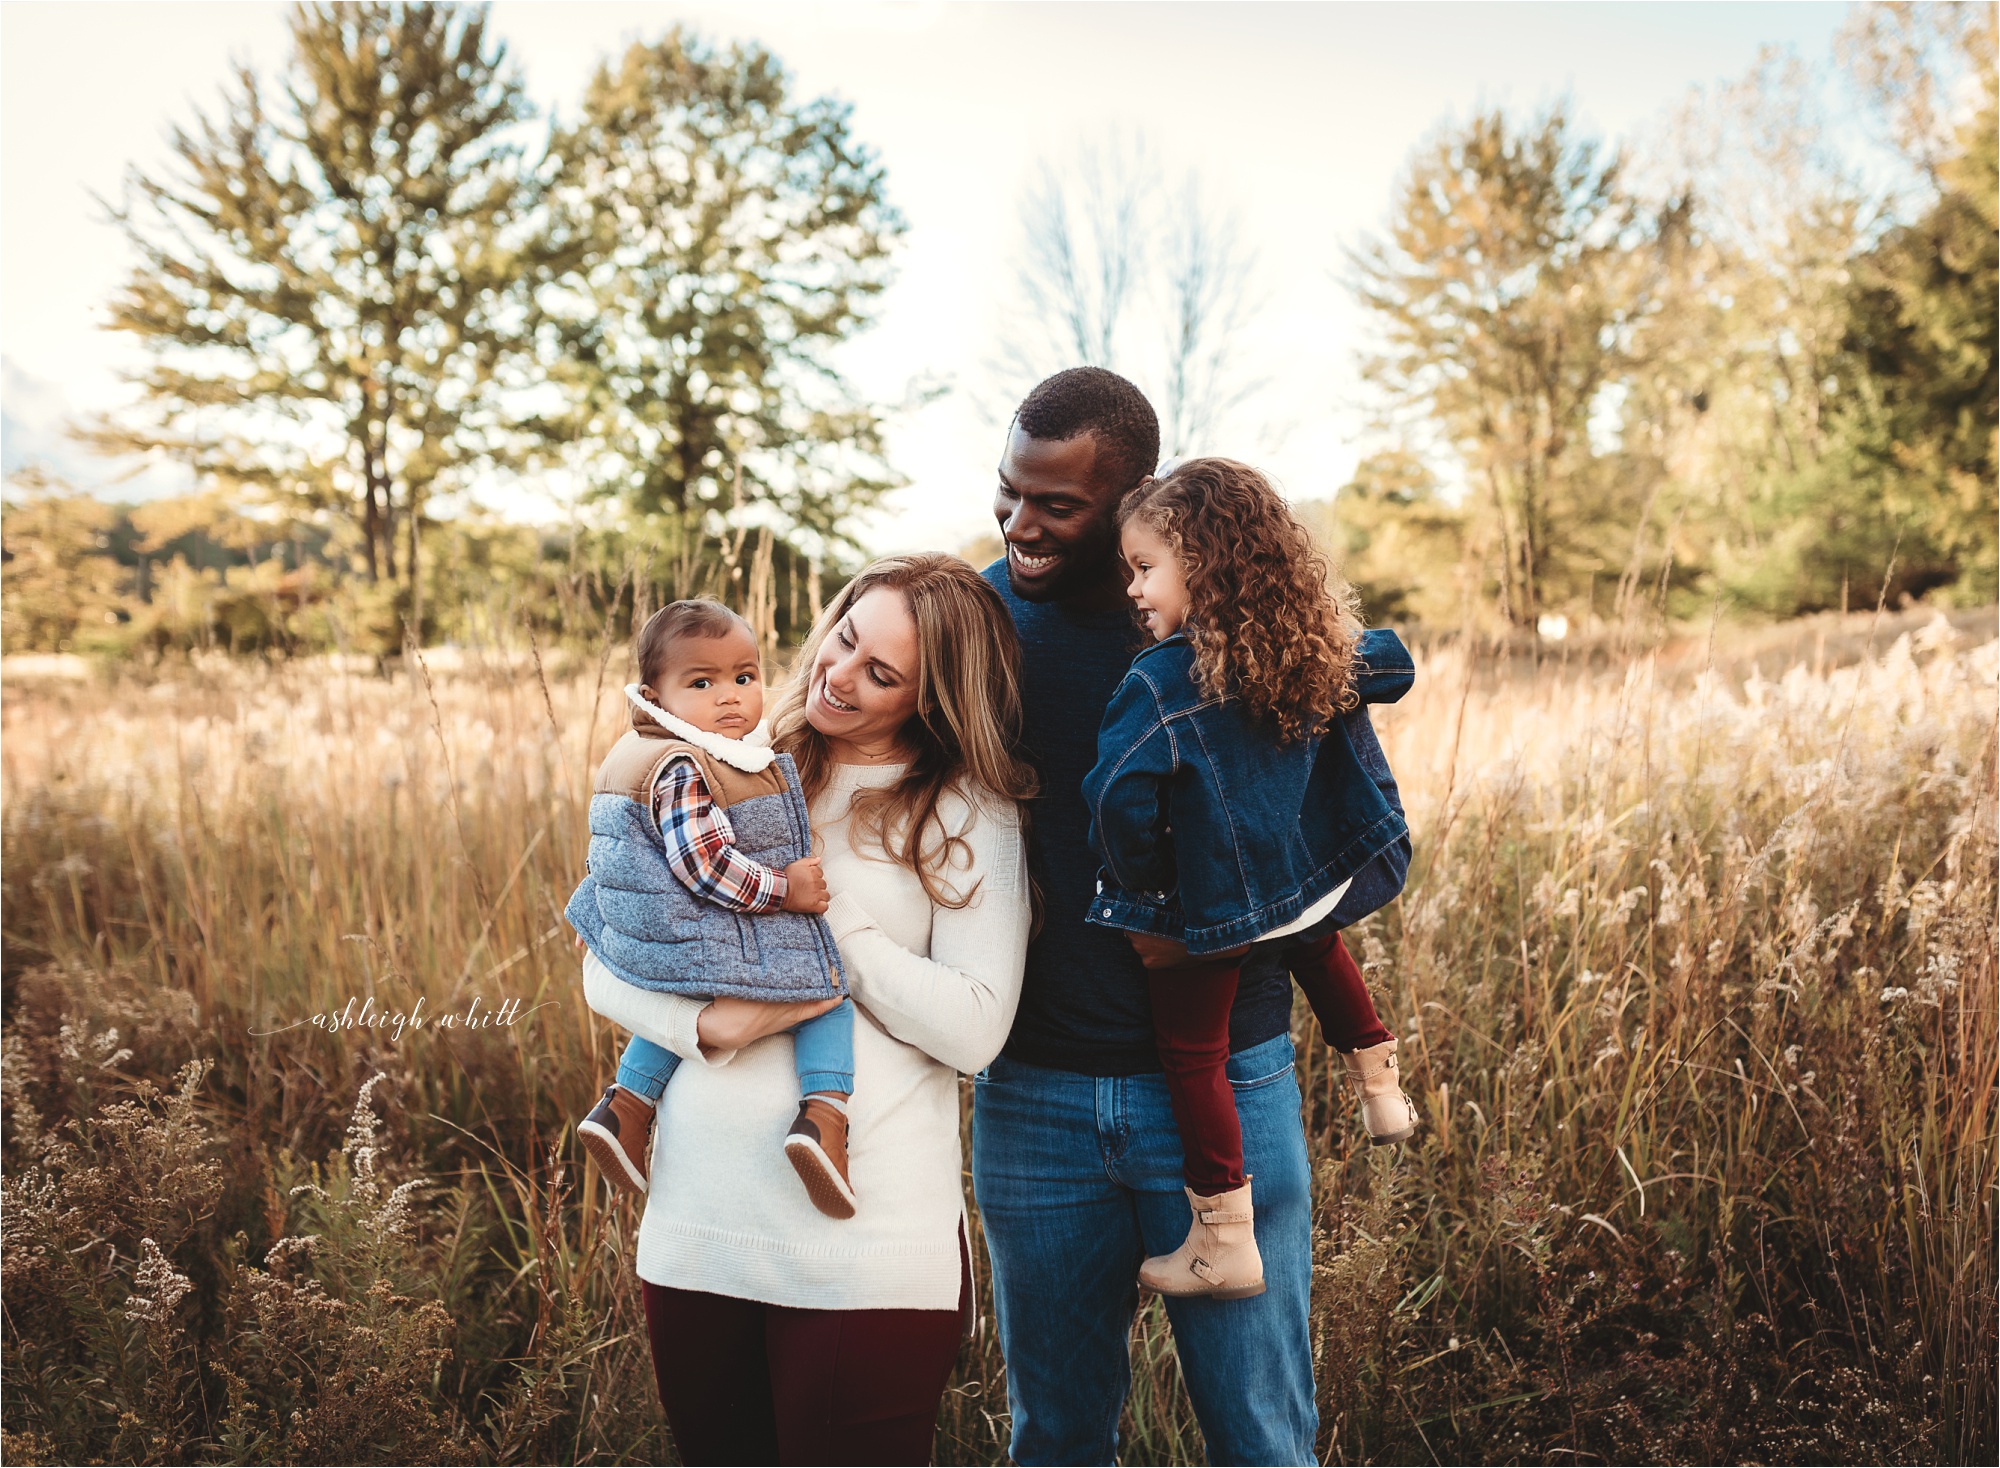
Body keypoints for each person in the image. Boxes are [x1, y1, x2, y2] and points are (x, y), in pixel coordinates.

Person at [973, 367, 1407, 1465]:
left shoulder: (1234, 629)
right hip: (1034, 1092)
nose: (1020, 524)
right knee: (1056, 1433)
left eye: (1055, 505)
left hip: (1226, 1074)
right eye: (1007, 492)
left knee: (1260, 1433)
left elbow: (1325, 830)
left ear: (1132, 496)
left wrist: (1226, 930)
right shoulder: (973, 625)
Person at [580, 555, 1035, 1466]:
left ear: (933, 699)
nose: (838, 673)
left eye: (882, 674)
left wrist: (826, 919)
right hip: (700, 1224)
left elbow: (978, 1026)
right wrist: (702, 1027)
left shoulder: (966, 809)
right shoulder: (720, 765)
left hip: (864, 1250)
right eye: (845, 637)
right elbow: (605, 953)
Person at [1082, 457, 1419, 1301]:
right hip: (1304, 886)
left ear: (1203, 564)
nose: (1132, 590)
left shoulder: (1160, 682)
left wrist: (1152, 896)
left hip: (1224, 905)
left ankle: (1223, 1242)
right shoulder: (1308, 651)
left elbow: (1115, 797)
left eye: (1145, 568)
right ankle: (1382, 1087)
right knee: (1317, 943)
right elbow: (1396, 665)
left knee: (1193, 1054)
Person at [568, 598, 861, 1218]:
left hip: (658, 935)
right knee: (825, 989)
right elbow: (706, 867)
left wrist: (594, 916)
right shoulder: (684, 765)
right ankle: (824, 1119)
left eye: (744, 677)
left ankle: (625, 1108)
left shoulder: (637, 753)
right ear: (656, 694)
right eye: (702, 683)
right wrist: (786, 889)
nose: (730, 697)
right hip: (696, 924)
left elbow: (616, 851)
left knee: (686, 995)